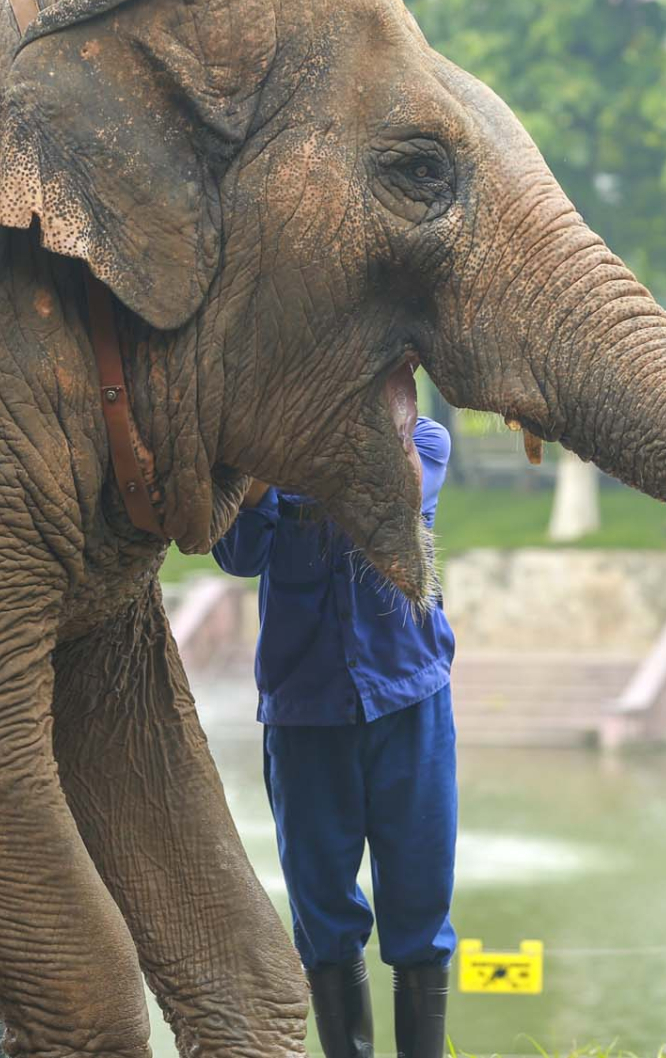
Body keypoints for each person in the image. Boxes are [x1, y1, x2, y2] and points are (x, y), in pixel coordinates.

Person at [213, 417, 457, 1058]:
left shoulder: (425, 441)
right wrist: (259, 460)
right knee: (322, 916)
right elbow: (240, 556)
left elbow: (390, 505)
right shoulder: (256, 454)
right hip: (304, 715)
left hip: (411, 699)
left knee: (421, 905)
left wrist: (279, 467)